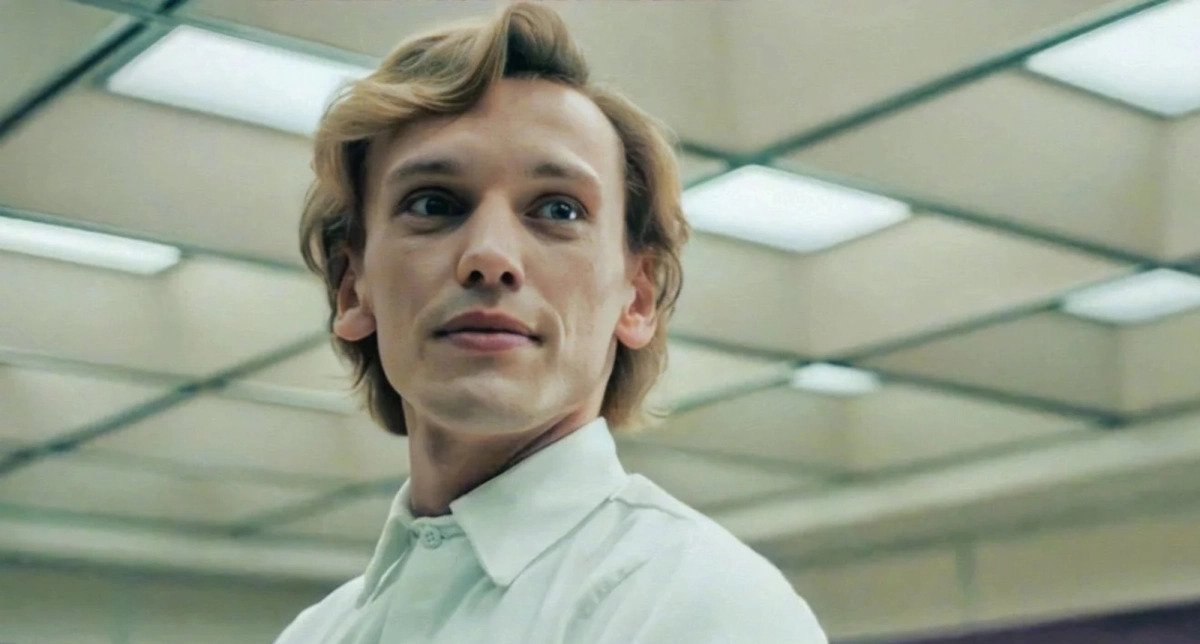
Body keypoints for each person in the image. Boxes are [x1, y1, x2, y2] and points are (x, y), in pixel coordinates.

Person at [276, 3, 825, 642]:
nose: (490, 257)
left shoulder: (704, 605)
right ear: (352, 289)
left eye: (559, 210)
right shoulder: (317, 633)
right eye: (433, 203)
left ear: (638, 298)